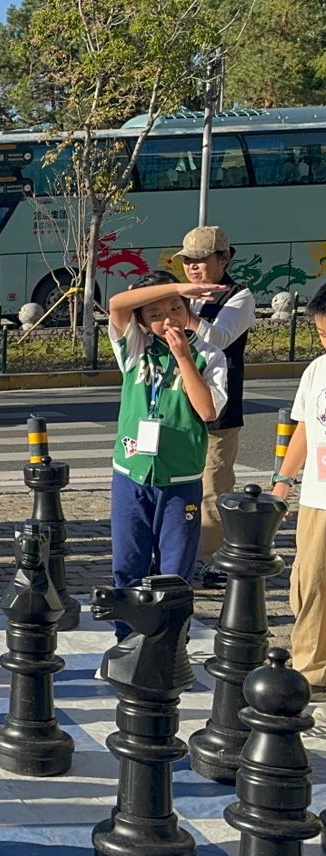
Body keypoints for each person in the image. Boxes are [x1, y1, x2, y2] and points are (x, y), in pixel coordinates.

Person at [104, 271, 228, 638]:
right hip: (131, 474)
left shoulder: (209, 354)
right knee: (128, 564)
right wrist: (175, 287)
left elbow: (207, 410)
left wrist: (184, 357)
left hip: (180, 479)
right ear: (142, 320)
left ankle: (171, 643)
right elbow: (116, 305)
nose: (168, 319)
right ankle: (127, 640)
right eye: (155, 314)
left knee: (174, 570)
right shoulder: (135, 347)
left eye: (176, 308)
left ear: (188, 309)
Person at [171, 226, 255, 589]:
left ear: (224, 258)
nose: (192, 267)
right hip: (179, 405)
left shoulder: (240, 297)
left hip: (219, 407)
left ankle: (213, 559)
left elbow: (220, 338)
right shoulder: (183, 294)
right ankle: (177, 554)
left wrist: (185, 312)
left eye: (200, 260)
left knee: (212, 486)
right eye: (187, 261)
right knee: (178, 486)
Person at [267, 283, 326, 706]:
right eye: (322, 334)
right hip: (318, 498)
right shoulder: (317, 371)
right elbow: (303, 428)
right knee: (309, 581)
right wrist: (283, 481)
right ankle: (312, 667)